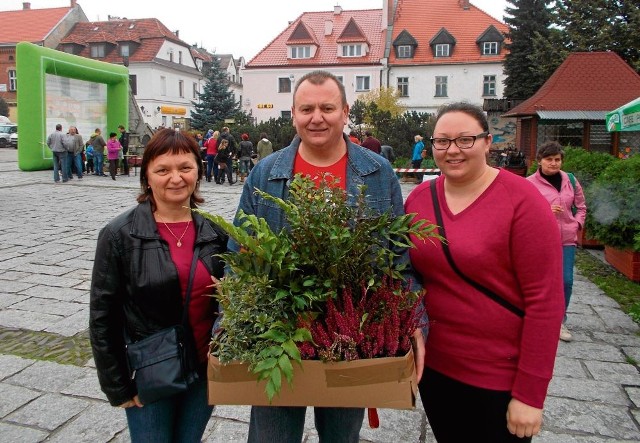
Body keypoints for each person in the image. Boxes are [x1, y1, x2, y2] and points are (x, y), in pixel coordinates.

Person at [233, 70, 425, 443]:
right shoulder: (266, 173)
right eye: (306, 108)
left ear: (345, 111)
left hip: (351, 340)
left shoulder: (376, 172)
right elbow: (241, 254)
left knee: (340, 437)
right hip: (279, 334)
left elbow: (397, 258)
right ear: (293, 114)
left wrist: (414, 321)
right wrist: (229, 323)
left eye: (327, 107)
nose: (316, 117)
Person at [405, 102, 564, 442]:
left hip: (498, 376)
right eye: (443, 141)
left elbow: (546, 302)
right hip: (436, 369)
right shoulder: (418, 200)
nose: (453, 150)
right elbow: (408, 274)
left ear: (488, 142)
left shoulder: (523, 201)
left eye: (466, 140)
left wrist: (530, 395)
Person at [89, 128, 227, 442]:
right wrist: (117, 386)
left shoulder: (216, 232)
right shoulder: (120, 235)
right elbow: (102, 317)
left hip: (205, 369)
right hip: (151, 370)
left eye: (185, 168)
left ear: (198, 172)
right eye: (162, 170)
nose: (175, 178)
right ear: (147, 177)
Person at [527, 141, 586, 342]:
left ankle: (560, 320)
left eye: (557, 160)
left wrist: (576, 224)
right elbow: (522, 213)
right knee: (538, 280)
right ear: (539, 161)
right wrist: (544, 211)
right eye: (549, 159)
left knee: (566, 280)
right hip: (540, 239)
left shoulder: (570, 180)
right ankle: (536, 317)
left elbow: (581, 206)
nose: (553, 163)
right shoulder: (529, 184)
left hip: (566, 239)